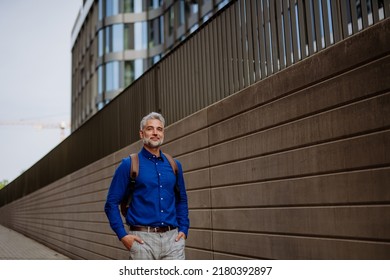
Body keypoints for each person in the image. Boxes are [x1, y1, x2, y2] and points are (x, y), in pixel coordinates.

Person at [104, 112, 189, 260]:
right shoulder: (128, 165)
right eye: (150, 129)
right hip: (142, 241)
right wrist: (123, 236)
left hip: (173, 241)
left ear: (163, 133)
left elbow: (181, 199)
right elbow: (110, 204)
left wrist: (184, 229)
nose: (155, 133)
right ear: (141, 133)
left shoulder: (175, 165)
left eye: (159, 129)